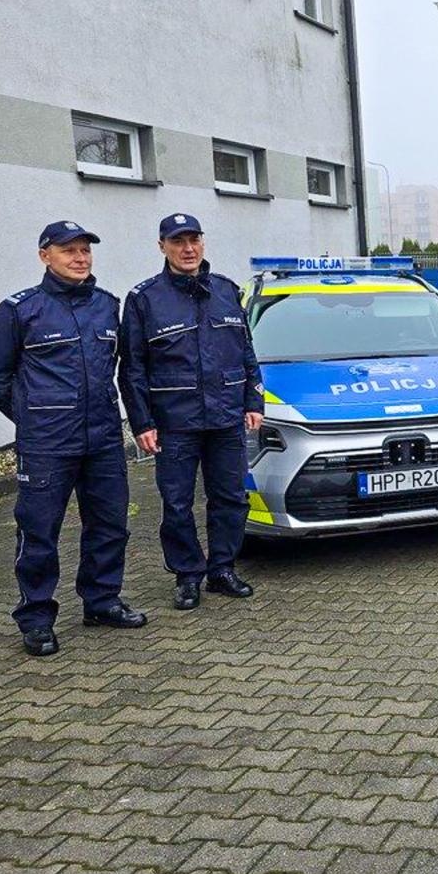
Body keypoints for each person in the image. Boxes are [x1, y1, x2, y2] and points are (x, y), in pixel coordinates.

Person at [0, 222, 144, 657]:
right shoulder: (19, 311)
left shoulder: (108, 306)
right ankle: (35, 618)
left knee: (110, 525)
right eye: (69, 250)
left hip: (103, 438)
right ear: (44, 255)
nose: (80, 258)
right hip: (47, 444)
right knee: (38, 532)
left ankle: (102, 600)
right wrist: (32, 417)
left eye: (86, 250)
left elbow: (120, 369)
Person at [119, 214, 264, 610]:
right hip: (174, 423)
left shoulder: (226, 291)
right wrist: (142, 422)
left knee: (231, 497)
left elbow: (247, 353)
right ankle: (187, 576)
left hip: (226, 417)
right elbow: (131, 367)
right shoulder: (144, 299)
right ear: (162, 246)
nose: (188, 249)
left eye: (194, 240)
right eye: (178, 241)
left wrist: (254, 401)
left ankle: (222, 569)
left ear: (202, 243)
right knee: (178, 503)